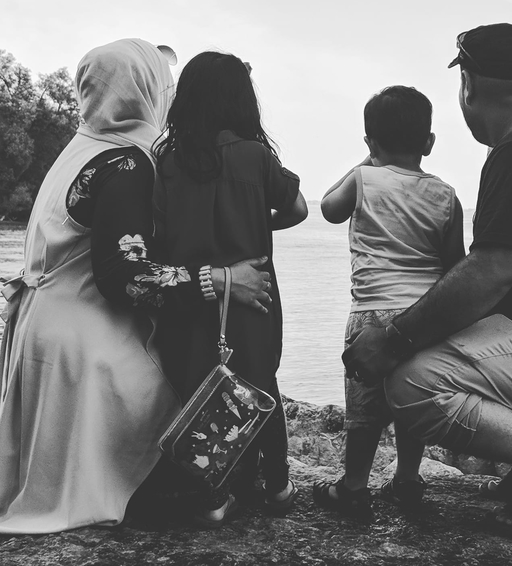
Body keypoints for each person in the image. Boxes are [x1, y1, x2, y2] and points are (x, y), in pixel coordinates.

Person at [0, 39, 271, 534]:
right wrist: (221, 279)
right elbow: (125, 277)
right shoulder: (128, 164)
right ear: (144, 89)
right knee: (190, 386)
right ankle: (193, 494)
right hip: (83, 347)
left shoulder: (77, 150)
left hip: (39, 334)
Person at [343, 23, 512, 538]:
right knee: (454, 339)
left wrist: (394, 338)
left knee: (411, 380)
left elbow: (493, 270)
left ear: (468, 83)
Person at [153, 51, 308, 527]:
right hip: (253, 295)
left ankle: (213, 495)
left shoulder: (168, 161)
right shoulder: (255, 157)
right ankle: (277, 486)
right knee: (260, 384)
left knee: (199, 387)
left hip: (195, 297)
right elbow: (299, 209)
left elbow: (159, 233)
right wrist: (258, 222)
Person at [313, 86, 464, 519]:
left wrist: (367, 161)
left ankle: (353, 487)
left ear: (370, 142)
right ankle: (407, 480)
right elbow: (455, 265)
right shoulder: (446, 195)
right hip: (422, 318)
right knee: (411, 400)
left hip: (371, 316)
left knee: (364, 409)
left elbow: (328, 208)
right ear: (429, 142)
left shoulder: (363, 178)